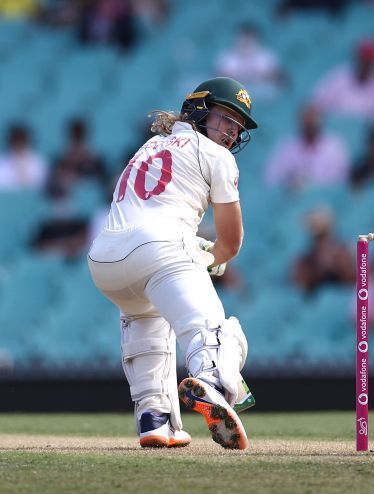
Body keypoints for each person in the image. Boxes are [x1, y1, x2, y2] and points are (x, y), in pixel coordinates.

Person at [86, 77, 257, 450]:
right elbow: (231, 242)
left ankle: (154, 418)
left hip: (104, 258)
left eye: (238, 126)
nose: (231, 132)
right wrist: (210, 260)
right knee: (215, 331)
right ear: (199, 110)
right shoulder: (217, 157)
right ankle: (211, 381)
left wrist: (193, 256)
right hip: (161, 247)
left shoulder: (150, 145)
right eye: (226, 118)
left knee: (147, 317)